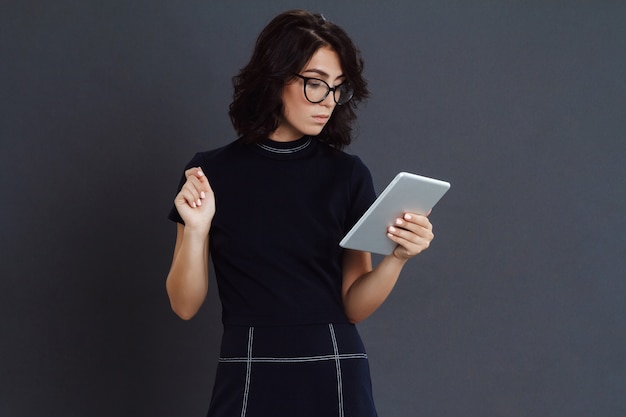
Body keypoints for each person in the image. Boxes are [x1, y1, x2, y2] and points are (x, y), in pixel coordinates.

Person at [166, 9, 435, 417]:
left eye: (337, 88)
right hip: (248, 367)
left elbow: (354, 306)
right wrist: (198, 230)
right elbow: (184, 306)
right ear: (275, 78)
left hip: (336, 367)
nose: (327, 101)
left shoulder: (348, 175)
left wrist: (398, 258)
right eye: (314, 84)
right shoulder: (210, 172)